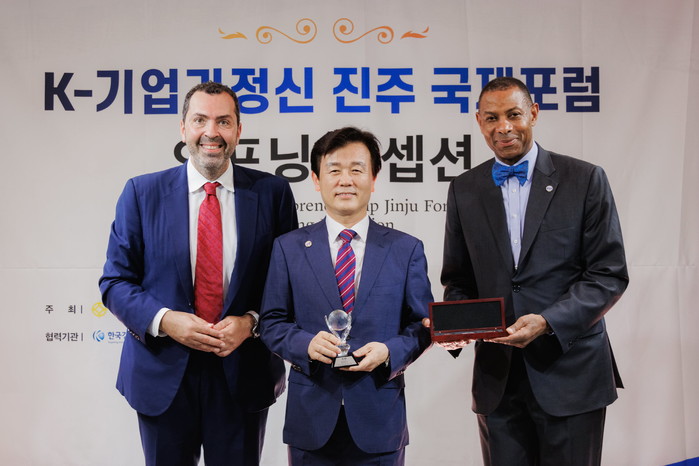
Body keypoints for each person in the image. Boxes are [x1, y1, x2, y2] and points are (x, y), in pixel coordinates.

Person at [99, 81, 298, 465]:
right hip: (162, 372)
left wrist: (251, 323)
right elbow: (115, 282)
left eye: (224, 121)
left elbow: (287, 283)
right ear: (183, 128)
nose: (212, 132)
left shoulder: (273, 193)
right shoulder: (142, 193)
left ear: (238, 130)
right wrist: (165, 320)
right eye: (200, 120)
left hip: (243, 372)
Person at [439, 77, 628, 466]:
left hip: (571, 373)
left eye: (513, 115)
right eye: (492, 118)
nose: (503, 127)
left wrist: (547, 321)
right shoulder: (464, 189)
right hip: (498, 381)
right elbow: (458, 279)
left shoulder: (584, 179)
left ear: (534, 114)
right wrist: (455, 327)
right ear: (479, 121)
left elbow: (608, 274)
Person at [259, 127, 432, 465]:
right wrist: (305, 345)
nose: (345, 181)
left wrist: (389, 352)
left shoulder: (405, 249)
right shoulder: (289, 248)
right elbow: (272, 322)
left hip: (379, 418)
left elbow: (423, 325)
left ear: (374, 178)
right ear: (316, 179)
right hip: (311, 419)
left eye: (357, 169)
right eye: (334, 170)